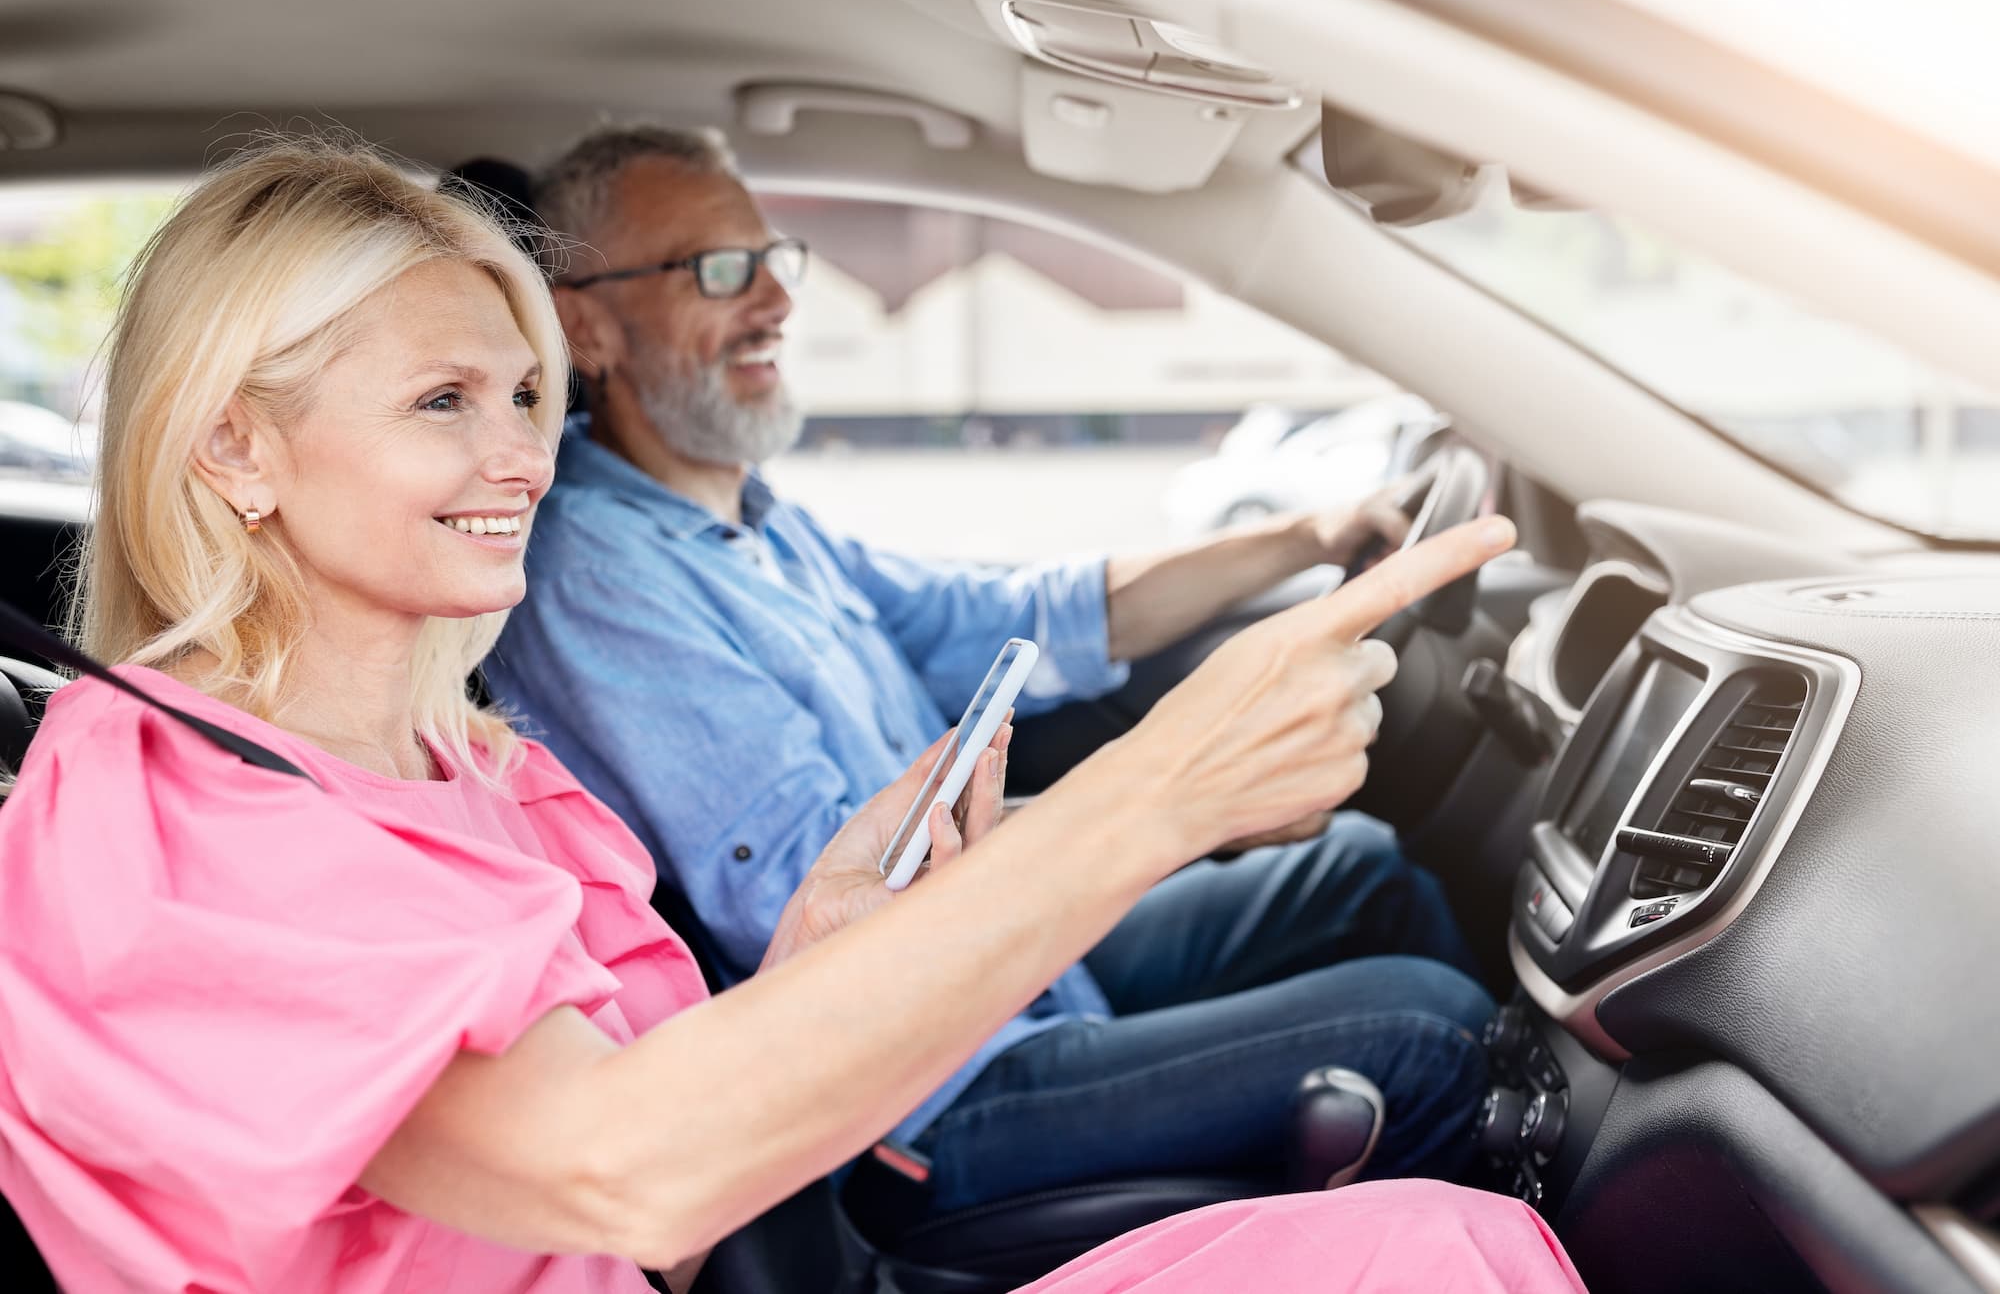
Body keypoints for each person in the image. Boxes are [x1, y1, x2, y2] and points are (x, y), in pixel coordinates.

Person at [0, 138, 1583, 1294]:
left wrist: (825, 946)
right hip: (887, 1159)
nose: (523, 461)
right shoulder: (159, 808)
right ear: (234, 454)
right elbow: (625, 1170)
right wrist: (1150, 800)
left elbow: (676, 1208)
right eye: (442, 401)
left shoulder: (481, 771)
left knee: (1465, 1237)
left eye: (524, 397)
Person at [484, 124, 1493, 1208]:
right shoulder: (593, 567)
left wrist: (1307, 535)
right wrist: (1178, 801)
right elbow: (827, 895)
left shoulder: (761, 522)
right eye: (719, 271)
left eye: (776, 262)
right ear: (583, 327)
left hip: (1010, 977)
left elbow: (1010, 617)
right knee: (1423, 1030)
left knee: (1356, 869)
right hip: (922, 1088)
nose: (774, 301)